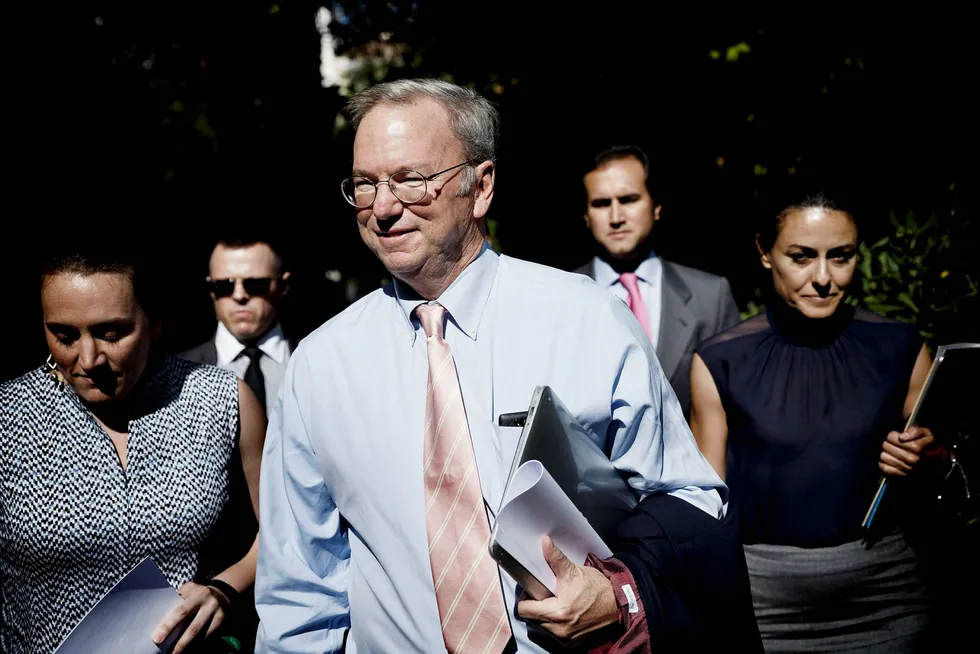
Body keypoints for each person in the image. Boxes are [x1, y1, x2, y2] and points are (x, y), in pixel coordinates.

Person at [254, 78, 726, 653]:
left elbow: (691, 501)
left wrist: (618, 594)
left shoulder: (587, 320)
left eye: (411, 180)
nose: (381, 207)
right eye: (364, 184)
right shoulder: (319, 367)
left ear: (481, 187)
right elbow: (300, 591)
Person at [690, 196, 937, 652]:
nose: (823, 278)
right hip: (764, 603)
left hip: (887, 594)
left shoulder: (901, 348)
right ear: (765, 252)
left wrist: (926, 457)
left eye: (840, 256)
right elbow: (708, 501)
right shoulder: (721, 360)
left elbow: (942, 468)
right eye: (801, 257)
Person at [0, 240, 266, 654]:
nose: (89, 359)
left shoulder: (221, 400)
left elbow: (284, 530)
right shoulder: (9, 414)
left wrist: (224, 589)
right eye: (64, 335)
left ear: (155, 322)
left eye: (111, 333)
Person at [574, 146, 740, 415]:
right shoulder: (559, 296)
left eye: (628, 199)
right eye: (602, 203)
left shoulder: (710, 297)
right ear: (586, 216)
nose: (616, 217)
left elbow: (736, 404)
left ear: (656, 207)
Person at [180, 236, 293, 416]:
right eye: (223, 285)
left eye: (255, 284)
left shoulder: (315, 361)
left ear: (283, 286)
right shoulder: (177, 373)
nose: (239, 295)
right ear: (211, 289)